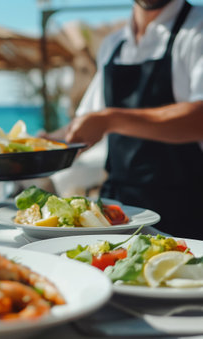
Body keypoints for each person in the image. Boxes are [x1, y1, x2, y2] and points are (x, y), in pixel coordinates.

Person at [57, 0, 203, 238]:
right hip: (117, 213)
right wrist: (38, 144)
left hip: (188, 213)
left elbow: (199, 118)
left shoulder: (198, 28)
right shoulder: (113, 44)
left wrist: (110, 119)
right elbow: (87, 123)